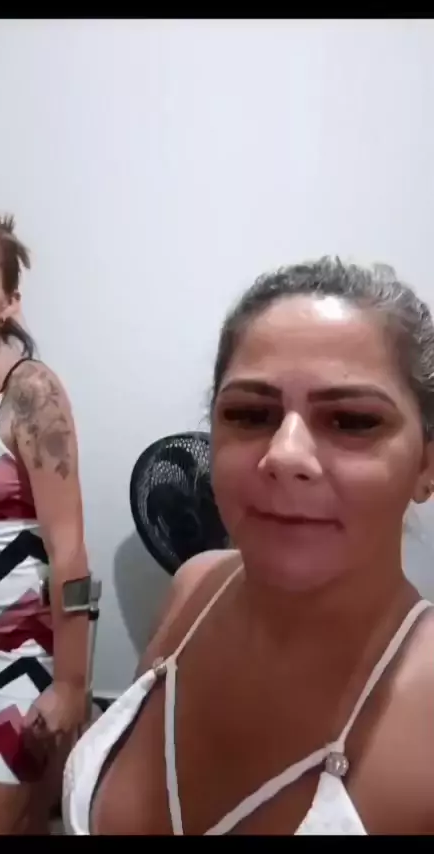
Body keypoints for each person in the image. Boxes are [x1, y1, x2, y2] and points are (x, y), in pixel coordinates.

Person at [64, 257, 434, 836]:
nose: (284, 454)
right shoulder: (194, 586)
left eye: (353, 420)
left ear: (426, 465)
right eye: (249, 413)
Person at [0, 210, 89, 834]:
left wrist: (72, 685)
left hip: (18, 661)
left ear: (8, 302)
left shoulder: (29, 394)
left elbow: (71, 553)